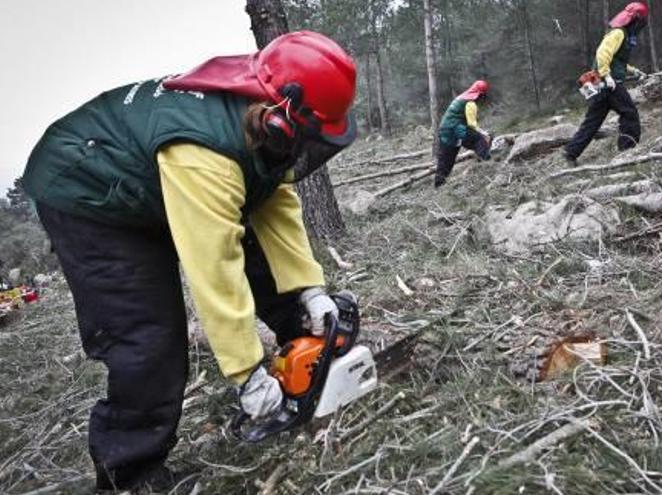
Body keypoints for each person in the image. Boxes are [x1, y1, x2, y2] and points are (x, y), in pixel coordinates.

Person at [21, 31, 357, 492]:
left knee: (259, 252)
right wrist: (245, 374)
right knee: (147, 334)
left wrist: (310, 289)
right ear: (282, 119)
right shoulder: (206, 153)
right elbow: (214, 269)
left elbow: (274, 202)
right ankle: (132, 472)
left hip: (150, 176)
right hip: (87, 190)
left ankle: (304, 357)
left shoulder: (257, 114)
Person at [562, 2, 650, 164]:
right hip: (608, 84)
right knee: (629, 113)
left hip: (602, 85)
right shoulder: (618, 33)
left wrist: (634, 71)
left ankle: (570, 152)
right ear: (635, 20)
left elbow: (617, 60)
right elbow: (602, 53)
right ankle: (627, 151)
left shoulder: (622, 34)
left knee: (592, 121)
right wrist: (607, 76)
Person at [434, 80, 492, 188]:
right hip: (455, 129)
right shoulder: (470, 103)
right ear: (480, 94)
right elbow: (471, 124)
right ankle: (488, 166)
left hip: (445, 130)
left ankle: (439, 185)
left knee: (447, 159)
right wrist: (484, 133)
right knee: (479, 140)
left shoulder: (462, 98)